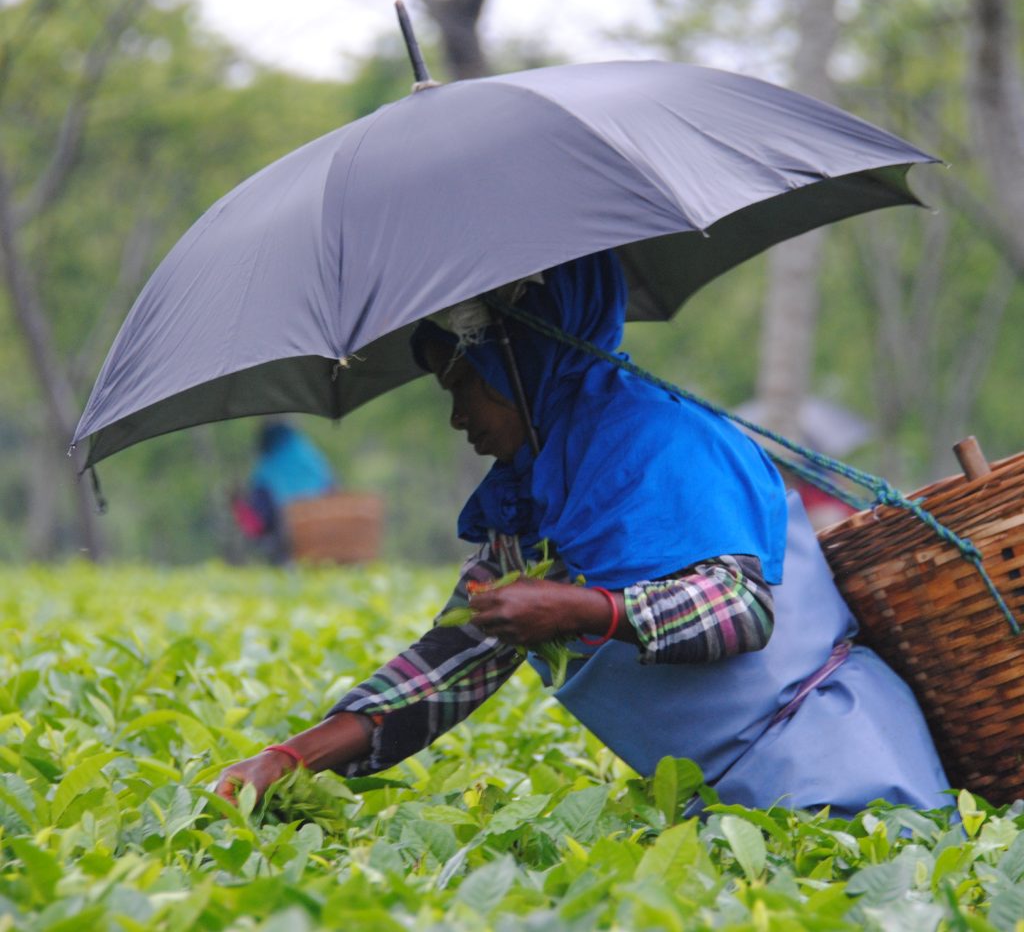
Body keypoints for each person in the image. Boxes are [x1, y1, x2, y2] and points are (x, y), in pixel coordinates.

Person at [216, 252, 949, 816]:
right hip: (724, 807)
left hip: (846, 777)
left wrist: (578, 611)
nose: (457, 417)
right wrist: (287, 759)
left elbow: (738, 609)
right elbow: (454, 659)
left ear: (518, 360)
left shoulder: (662, 442)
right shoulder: (533, 498)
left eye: (463, 385)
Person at [231, 420, 337, 563]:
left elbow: (258, 524)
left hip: (286, 548)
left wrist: (239, 506)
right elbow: (335, 496)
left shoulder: (266, 471)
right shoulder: (313, 460)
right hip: (327, 544)